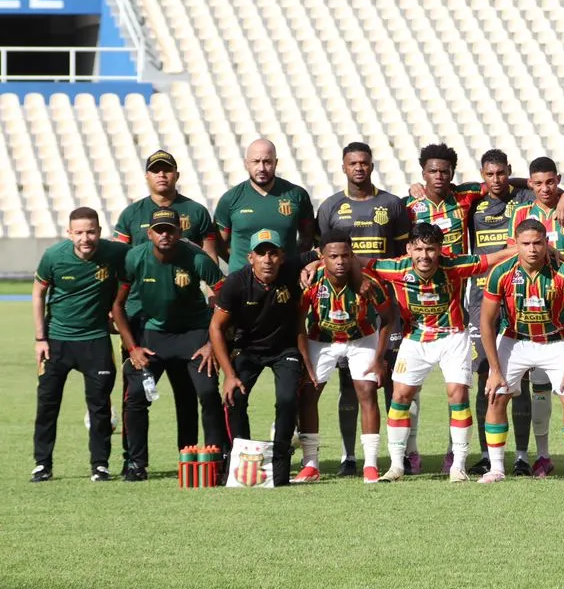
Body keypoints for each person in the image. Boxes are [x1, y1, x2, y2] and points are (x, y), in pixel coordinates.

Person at [367, 222, 517, 481]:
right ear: (409, 249)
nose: (424, 256)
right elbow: (357, 263)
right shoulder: (394, 268)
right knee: (401, 396)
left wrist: (529, 249)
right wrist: (315, 262)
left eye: (431, 250)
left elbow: (491, 258)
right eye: (419, 249)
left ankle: (458, 465)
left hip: (453, 337)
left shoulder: (454, 265)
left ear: (440, 250)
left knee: (457, 394)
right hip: (415, 339)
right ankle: (396, 466)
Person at [315, 141, 409, 476]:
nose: (359, 168)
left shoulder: (392, 205)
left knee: (393, 379)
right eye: (353, 163)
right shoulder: (330, 207)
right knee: (349, 386)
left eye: (364, 163)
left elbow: (404, 255)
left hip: (387, 305)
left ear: (371, 165)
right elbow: (325, 255)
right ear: (344, 167)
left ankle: (401, 455)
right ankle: (348, 456)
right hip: (348, 307)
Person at [112, 207, 227, 480]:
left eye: (170, 230)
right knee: (137, 395)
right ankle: (136, 463)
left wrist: (212, 343)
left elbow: (225, 300)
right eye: (159, 230)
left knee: (208, 392)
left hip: (195, 335)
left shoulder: (197, 259)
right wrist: (133, 348)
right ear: (149, 233)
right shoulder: (134, 258)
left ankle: (216, 460)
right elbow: (117, 305)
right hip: (154, 336)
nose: (165, 235)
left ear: (179, 233)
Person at [479, 220, 564, 483]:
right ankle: (496, 468)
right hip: (516, 340)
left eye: (538, 243)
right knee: (496, 395)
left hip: (556, 340)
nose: (532, 249)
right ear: (515, 244)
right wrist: (494, 370)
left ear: (546, 242)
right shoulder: (501, 272)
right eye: (526, 244)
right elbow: (486, 322)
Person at [31, 208, 128, 482]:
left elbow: (138, 267)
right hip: (56, 342)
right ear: (69, 233)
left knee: (99, 408)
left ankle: (100, 465)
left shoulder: (114, 254)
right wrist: (40, 338)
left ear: (99, 231)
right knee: (47, 405)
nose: (86, 238)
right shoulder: (53, 256)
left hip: (95, 341)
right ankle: (42, 464)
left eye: (91, 231)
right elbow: (39, 293)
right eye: (80, 232)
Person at [210, 230, 310, 487]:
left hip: (285, 349)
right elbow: (216, 328)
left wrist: (311, 267)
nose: (268, 259)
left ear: (282, 257)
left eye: (273, 253)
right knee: (235, 398)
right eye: (261, 253)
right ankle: (240, 463)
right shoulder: (236, 283)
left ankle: (280, 467)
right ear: (250, 257)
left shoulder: (290, 271)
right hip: (248, 349)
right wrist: (230, 375)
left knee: (287, 399)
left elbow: (327, 252)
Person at [510, 156, 564, 476]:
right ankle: (542, 455)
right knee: (540, 388)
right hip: (533, 310)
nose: (545, 189)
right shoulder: (520, 213)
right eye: (538, 183)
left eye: (551, 183)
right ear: (530, 184)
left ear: (559, 180)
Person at [296, 233, 394, 483]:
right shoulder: (311, 280)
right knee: (308, 393)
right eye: (333, 256)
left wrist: (380, 358)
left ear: (352, 256)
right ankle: (310, 465)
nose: (340, 261)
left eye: (345, 256)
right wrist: (306, 361)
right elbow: (298, 322)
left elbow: (388, 318)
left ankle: (370, 465)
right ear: (322, 257)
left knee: (367, 392)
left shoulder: (369, 281)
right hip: (322, 339)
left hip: (361, 338)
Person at [463, 149, 534, 477]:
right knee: (484, 376)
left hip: (518, 291)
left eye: (501, 174)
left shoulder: (525, 196)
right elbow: (444, 189)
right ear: (482, 175)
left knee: (521, 377)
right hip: (481, 295)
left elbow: (559, 192)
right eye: (489, 175)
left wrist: (562, 197)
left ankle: (521, 455)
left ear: (509, 172)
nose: (496, 180)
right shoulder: (471, 202)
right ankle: (487, 454)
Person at [212, 138, 316, 272]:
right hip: (243, 282)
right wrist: (242, 264)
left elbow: (307, 237)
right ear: (246, 164)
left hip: (286, 278)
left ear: (276, 163)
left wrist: (292, 262)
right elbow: (220, 243)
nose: (261, 168)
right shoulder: (230, 199)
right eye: (256, 161)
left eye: (267, 162)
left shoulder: (297, 195)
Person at [113, 150, 220, 262]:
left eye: (167, 170)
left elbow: (210, 254)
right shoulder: (130, 213)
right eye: (155, 171)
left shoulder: (197, 211)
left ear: (177, 175)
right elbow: (118, 256)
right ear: (147, 176)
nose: (161, 175)